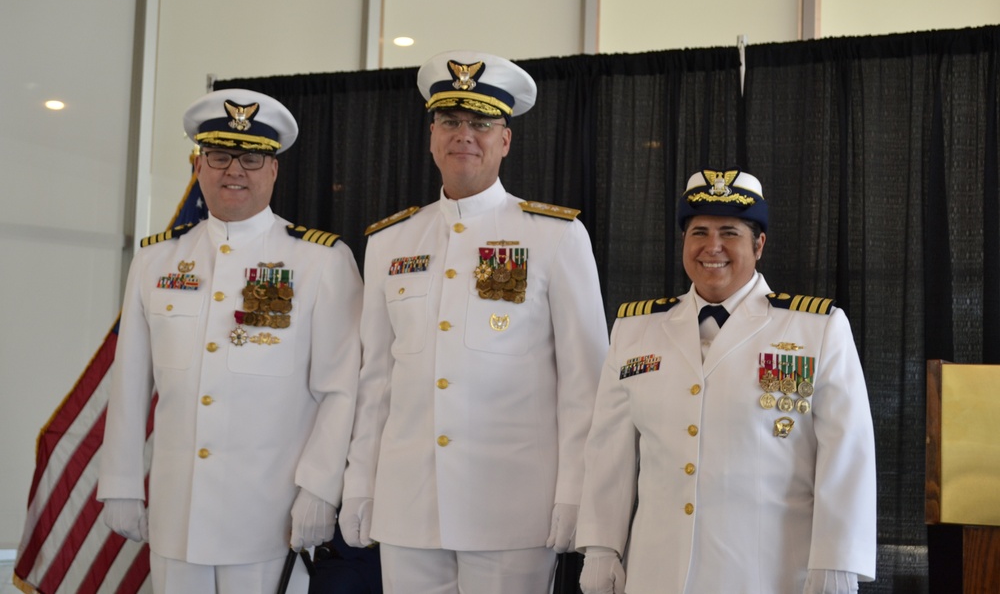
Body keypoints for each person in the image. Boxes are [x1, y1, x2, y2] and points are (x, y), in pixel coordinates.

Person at [338, 50, 609, 594]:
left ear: (505, 140)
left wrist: (576, 492)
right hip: (409, 501)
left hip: (512, 507)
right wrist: (360, 481)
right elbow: (376, 383)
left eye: (481, 123)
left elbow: (586, 385)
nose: (465, 135)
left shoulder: (555, 237)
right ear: (432, 135)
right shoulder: (390, 242)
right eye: (451, 121)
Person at [98, 88, 363, 594]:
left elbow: (342, 390)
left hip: (270, 518)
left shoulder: (321, 262)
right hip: (179, 515)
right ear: (198, 164)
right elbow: (130, 384)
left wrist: (320, 489)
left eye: (251, 157)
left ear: (273, 170)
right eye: (219, 156)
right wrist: (122, 484)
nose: (233, 170)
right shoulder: (156, 262)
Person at [575, 168, 877, 594]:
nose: (711, 247)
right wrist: (601, 546)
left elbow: (848, 453)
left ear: (759, 245)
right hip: (657, 572)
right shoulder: (636, 329)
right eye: (699, 231)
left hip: (767, 573)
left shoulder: (815, 328)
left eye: (729, 232)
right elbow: (609, 451)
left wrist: (837, 562)